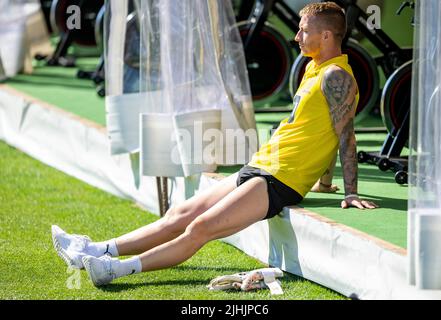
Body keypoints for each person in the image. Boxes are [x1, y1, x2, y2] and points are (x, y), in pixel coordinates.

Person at [52, 2, 378, 287]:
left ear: (326, 36)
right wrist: (324, 181)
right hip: (264, 164)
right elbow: (316, 128)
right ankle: (94, 250)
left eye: (303, 31)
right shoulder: (313, 67)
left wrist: (351, 192)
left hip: (281, 180)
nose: (296, 37)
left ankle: (115, 270)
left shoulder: (337, 76)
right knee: (180, 213)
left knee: (200, 227)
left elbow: (345, 134)